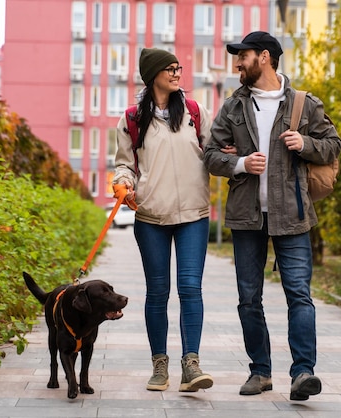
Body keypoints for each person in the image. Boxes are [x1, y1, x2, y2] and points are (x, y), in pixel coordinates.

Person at [203, 31, 341, 400]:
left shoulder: (303, 104)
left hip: (293, 215)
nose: (237, 63)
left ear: (264, 57)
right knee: (249, 298)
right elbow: (210, 155)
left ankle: (303, 373)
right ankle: (261, 372)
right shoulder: (234, 106)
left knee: (299, 295)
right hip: (246, 217)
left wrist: (306, 144)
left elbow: (334, 145)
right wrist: (240, 163)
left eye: (242, 56)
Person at [112, 48, 214, 393]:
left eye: (178, 68)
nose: (176, 73)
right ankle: (159, 365)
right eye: (169, 68)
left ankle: (191, 364)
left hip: (193, 216)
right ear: (152, 74)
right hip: (151, 216)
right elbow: (125, 163)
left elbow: (213, 151)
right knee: (157, 293)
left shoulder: (195, 112)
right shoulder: (131, 119)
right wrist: (123, 183)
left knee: (190, 288)